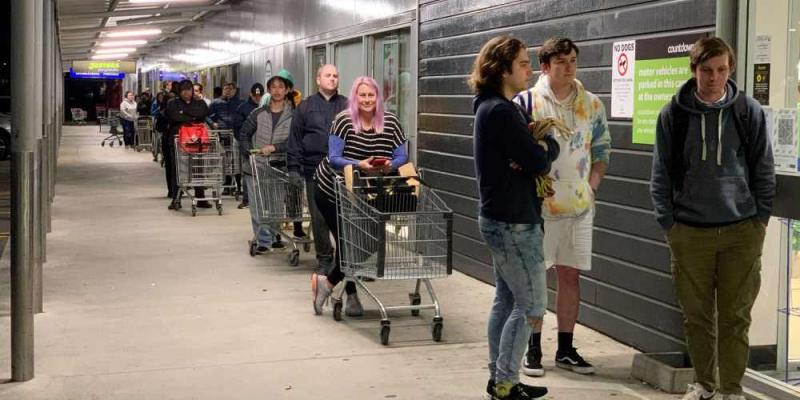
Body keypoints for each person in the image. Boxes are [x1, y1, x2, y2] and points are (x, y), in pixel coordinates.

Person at [650, 37, 775, 400]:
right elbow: (660, 175)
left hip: (741, 231)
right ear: (694, 70)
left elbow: (763, 170)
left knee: (736, 318)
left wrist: (760, 222)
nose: (714, 78)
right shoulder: (672, 114)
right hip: (689, 233)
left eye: (721, 70)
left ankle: (731, 390)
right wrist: (668, 224)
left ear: (730, 69)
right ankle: (704, 384)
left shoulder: (747, 111)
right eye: (706, 70)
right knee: (697, 317)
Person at [513, 37, 611, 378]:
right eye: (560, 62)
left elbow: (602, 149)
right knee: (536, 278)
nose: (568, 68)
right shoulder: (525, 102)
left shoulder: (592, 105)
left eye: (572, 61)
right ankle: (533, 347)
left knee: (570, 276)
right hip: (538, 208)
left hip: (579, 207)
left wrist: (592, 187)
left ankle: (566, 348)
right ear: (545, 66)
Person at [471, 36, 559, 400]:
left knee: (507, 301)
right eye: (523, 63)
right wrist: (543, 145)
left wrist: (538, 146)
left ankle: (501, 377)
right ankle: (505, 382)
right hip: (513, 222)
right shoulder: (502, 112)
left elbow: (536, 152)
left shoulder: (496, 107)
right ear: (502, 69)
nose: (528, 69)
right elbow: (540, 158)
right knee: (532, 305)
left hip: (502, 217)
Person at [310, 76, 407, 319]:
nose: (367, 100)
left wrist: (389, 165)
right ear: (355, 98)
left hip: (365, 191)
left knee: (365, 242)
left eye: (371, 95)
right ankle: (350, 295)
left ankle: (327, 284)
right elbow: (333, 158)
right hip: (331, 189)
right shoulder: (343, 121)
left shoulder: (391, 122)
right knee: (347, 241)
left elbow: (402, 155)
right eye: (362, 95)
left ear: (378, 97)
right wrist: (359, 164)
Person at [287, 64, 348, 277]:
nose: (332, 79)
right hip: (314, 170)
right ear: (318, 79)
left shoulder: (347, 105)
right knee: (319, 217)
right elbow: (294, 140)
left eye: (335, 75)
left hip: (342, 171)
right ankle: (324, 259)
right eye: (328, 75)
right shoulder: (305, 107)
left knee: (345, 217)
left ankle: (347, 259)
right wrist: (294, 168)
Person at [239, 72, 295, 252]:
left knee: (276, 205)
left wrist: (275, 148)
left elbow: (295, 141)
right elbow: (244, 134)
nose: (277, 91)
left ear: (287, 90)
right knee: (257, 206)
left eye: (281, 87)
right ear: (269, 90)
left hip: (279, 167)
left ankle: (272, 235)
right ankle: (263, 241)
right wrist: (249, 152)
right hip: (255, 167)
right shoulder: (258, 113)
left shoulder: (294, 116)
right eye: (273, 87)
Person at [165, 79, 211, 210]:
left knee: (198, 169)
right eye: (184, 90)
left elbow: (203, 113)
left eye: (189, 90)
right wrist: (193, 117)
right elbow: (173, 117)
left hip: (196, 141)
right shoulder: (172, 103)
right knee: (177, 170)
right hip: (177, 140)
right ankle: (176, 198)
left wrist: (184, 114)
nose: (187, 93)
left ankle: (200, 197)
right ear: (180, 91)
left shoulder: (199, 102)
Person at [235, 82, 265, 209]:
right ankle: (247, 199)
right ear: (250, 95)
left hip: (262, 147)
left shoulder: (266, 108)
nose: (257, 98)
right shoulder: (243, 108)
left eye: (259, 96)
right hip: (248, 147)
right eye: (255, 96)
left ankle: (262, 198)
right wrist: (244, 144)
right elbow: (237, 128)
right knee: (248, 172)